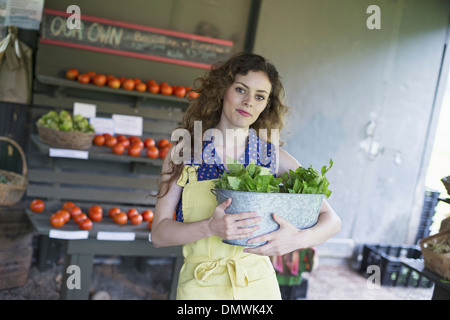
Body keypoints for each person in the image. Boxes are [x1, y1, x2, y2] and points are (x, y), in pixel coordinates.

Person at [152, 52, 341, 300]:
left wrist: (296, 239)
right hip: (200, 287)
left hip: (258, 287)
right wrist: (209, 227)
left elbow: (332, 220)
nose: (249, 102)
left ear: (265, 106)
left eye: (260, 96)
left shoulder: (273, 157)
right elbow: (159, 235)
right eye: (241, 90)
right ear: (222, 91)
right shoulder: (185, 152)